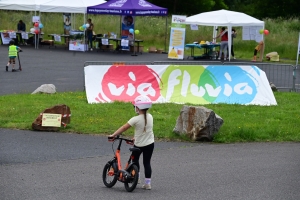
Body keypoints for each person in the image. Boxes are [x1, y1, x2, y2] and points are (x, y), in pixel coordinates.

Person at [108, 95, 154, 190]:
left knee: (135, 160)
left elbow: (124, 127)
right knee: (147, 163)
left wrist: (113, 135)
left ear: (138, 108)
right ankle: (148, 183)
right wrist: (135, 137)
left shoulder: (135, 119)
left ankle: (137, 178)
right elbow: (144, 130)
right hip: (150, 144)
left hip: (138, 145)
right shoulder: (150, 116)